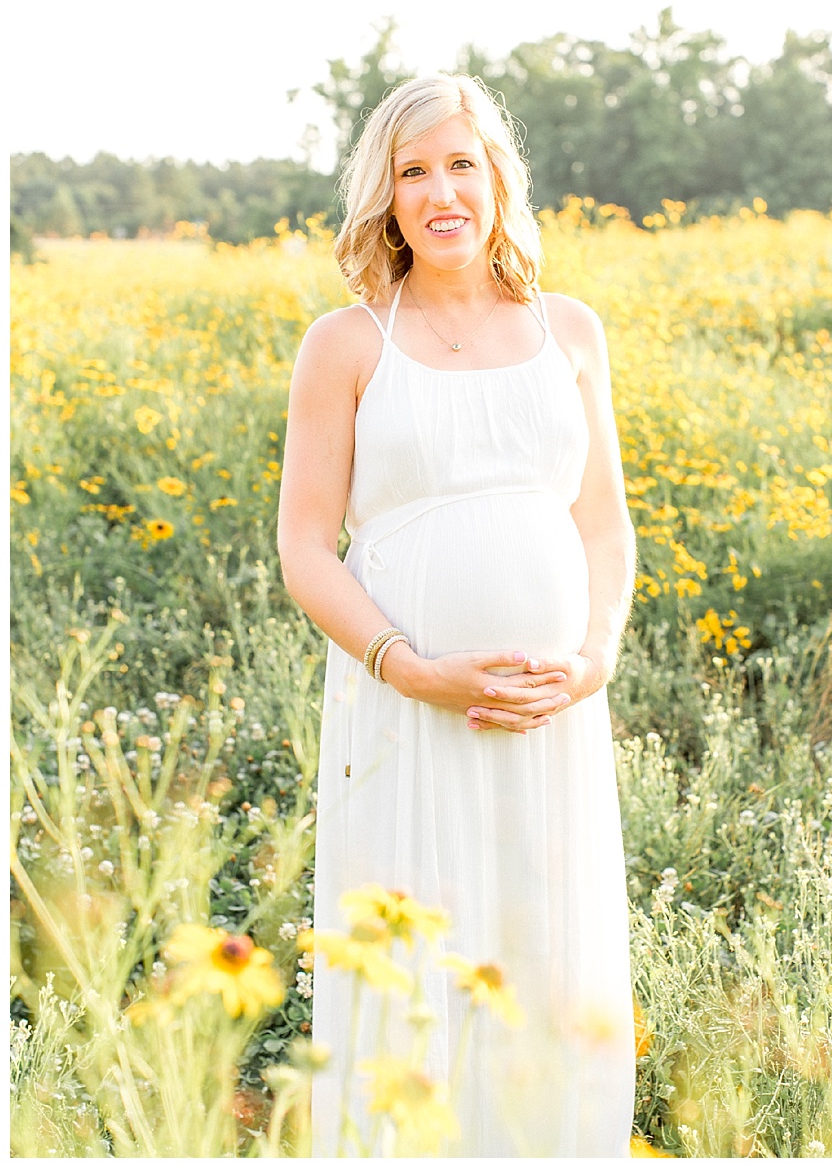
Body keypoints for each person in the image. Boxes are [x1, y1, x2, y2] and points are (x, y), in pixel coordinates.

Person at [277, 75, 637, 1155]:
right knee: (417, 948)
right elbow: (304, 545)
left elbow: (607, 530)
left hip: (548, 714)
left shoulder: (568, 330)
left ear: (498, 179)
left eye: (461, 164)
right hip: (407, 711)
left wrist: (592, 662)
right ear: (384, 199)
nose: (441, 191)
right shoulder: (345, 343)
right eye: (414, 171)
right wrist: (410, 666)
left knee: (543, 946)